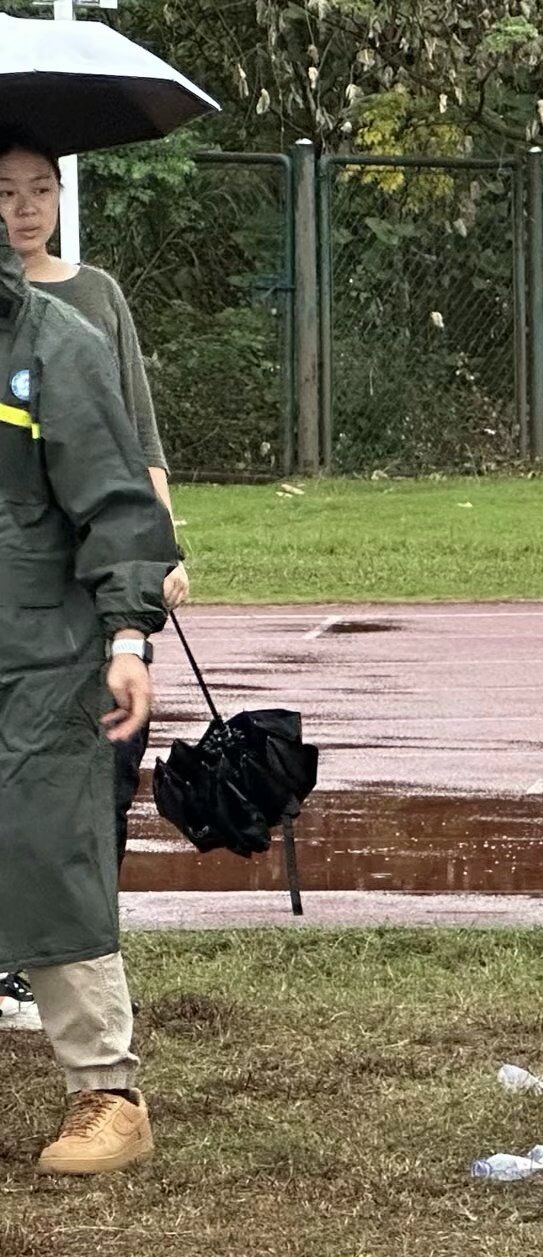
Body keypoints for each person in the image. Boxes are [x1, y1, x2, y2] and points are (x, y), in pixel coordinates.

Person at [1, 183, 182, 1174]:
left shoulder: (55, 342)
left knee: (48, 847)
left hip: (37, 653)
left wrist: (127, 639)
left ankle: (107, 1094)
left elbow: (118, 504)